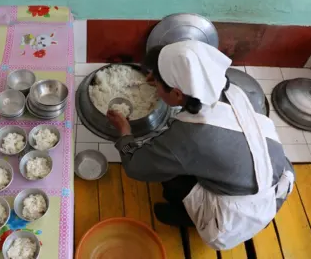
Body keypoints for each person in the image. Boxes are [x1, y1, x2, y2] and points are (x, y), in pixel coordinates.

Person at [107, 40, 294, 250]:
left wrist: (124, 132)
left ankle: (187, 217)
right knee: (187, 161)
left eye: (158, 85)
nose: (156, 89)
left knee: (169, 177)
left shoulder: (189, 136)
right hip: (274, 176)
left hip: (240, 214)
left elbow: (135, 167)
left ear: (177, 93)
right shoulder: (230, 88)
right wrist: (161, 79)